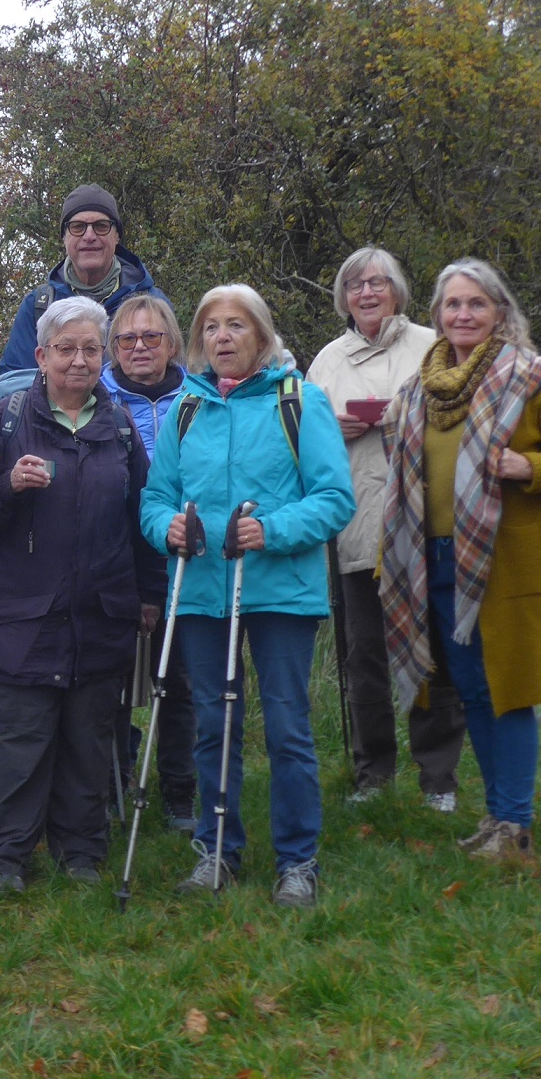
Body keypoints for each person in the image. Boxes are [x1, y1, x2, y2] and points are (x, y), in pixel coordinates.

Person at [140, 285, 354, 907]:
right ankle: (216, 850)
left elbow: (334, 498)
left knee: (287, 726)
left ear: (261, 335)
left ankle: (298, 861)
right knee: (214, 724)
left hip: (281, 591)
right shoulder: (187, 408)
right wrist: (166, 528)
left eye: (236, 325)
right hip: (203, 591)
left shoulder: (299, 401)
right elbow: (155, 498)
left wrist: (273, 530)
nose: (223, 337)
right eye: (211, 327)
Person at [0, 296, 164, 890]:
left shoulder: (119, 427)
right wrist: (6, 485)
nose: (79, 361)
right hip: (23, 614)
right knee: (19, 738)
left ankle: (82, 853)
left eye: (91, 349)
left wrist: (148, 594)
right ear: (41, 356)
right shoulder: (9, 419)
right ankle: (6, 856)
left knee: (88, 739)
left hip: (102, 612)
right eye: (66, 349)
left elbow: (142, 515)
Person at [378, 259, 541, 864]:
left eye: (476, 304)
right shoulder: (420, 388)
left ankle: (516, 825)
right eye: (453, 304)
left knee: (508, 689)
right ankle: (497, 817)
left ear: (499, 312)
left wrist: (530, 466)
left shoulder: (537, 377)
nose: (463, 314)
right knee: (471, 689)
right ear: (437, 315)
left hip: (505, 562)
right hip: (432, 560)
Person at [306, 247, 466, 811]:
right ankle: (372, 773)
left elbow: (461, 417)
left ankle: (439, 777)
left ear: (397, 290)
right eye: (355, 285)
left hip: (424, 524)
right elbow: (300, 444)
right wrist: (331, 430)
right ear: (343, 299)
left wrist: (403, 419)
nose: (367, 293)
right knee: (365, 656)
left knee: (430, 650)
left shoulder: (431, 346)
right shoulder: (326, 362)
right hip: (354, 526)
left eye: (378, 283)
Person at [101, 294, 199, 832]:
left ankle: (180, 790)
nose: (139, 347)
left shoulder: (198, 398)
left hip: (185, 559)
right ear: (114, 348)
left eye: (151, 337)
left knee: (179, 681)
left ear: (172, 343)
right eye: (128, 339)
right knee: (114, 680)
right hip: (114, 558)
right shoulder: (98, 399)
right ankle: (114, 782)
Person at [0, 184, 166, 373]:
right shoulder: (38, 307)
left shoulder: (152, 304)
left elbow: (173, 378)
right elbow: (15, 380)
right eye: (78, 227)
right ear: (64, 237)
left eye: (101, 226)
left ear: (117, 235)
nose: (89, 236)